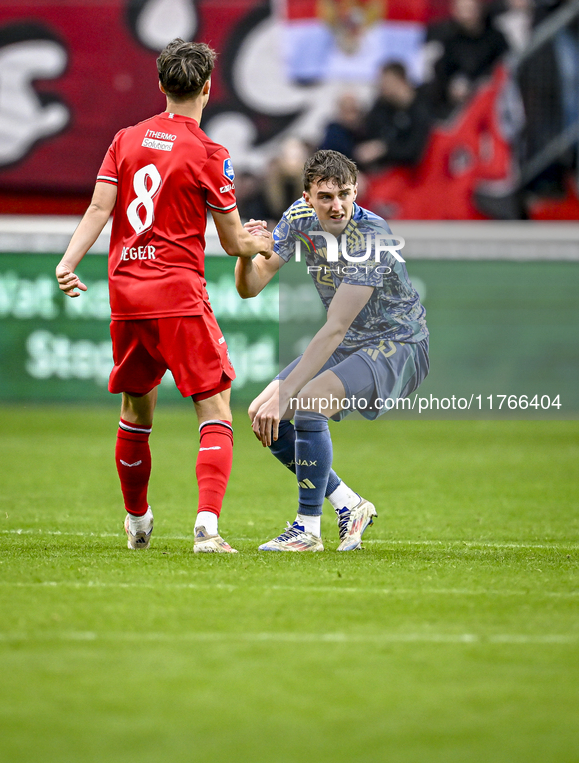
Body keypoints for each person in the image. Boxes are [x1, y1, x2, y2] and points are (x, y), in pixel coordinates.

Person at [56, 39, 273, 553]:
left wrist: (68, 261)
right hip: (177, 294)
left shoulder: (125, 140)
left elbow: (97, 210)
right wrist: (259, 242)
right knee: (215, 406)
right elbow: (231, 242)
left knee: (136, 410)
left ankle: (136, 521)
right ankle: (206, 528)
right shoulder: (209, 153)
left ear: (160, 85)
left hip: (127, 295)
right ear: (206, 87)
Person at [235, 148, 429, 552]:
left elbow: (336, 327)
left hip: (398, 343)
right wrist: (245, 254)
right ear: (307, 198)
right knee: (261, 415)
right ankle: (349, 504)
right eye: (326, 197)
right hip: (353, 341)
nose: (337, 205)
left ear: (355, 191)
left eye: (344, 194)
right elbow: (252, 286)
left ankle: (307, 529)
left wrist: (287, 391)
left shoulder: (371, 236)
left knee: (307, 401)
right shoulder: (297, 219)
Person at [355, 62, 432, 171]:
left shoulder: (422, 107)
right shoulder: (382, 107)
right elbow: (368, 138)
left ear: (400, 80)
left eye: (386, 81)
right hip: (388, 173)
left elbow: (415, 151)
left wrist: (383, 149)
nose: (381, 86)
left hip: (417, 173)